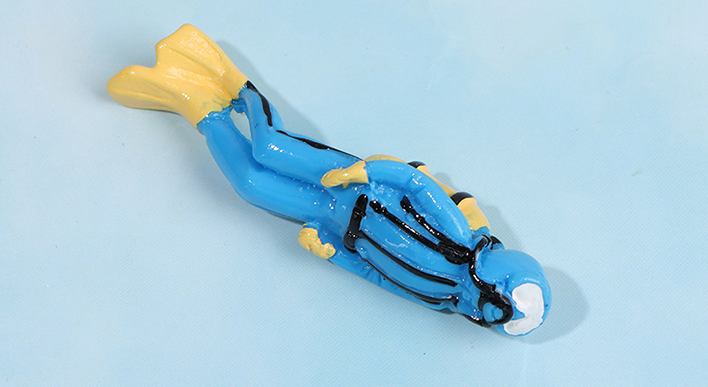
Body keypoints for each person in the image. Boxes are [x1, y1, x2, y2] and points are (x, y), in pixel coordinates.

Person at [107, 25, 550, 336]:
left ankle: (197, 105)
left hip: (332, 217)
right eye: (496, 303)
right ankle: (235, 86)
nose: (482, 308)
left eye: (490, 317)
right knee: (270, 148)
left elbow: (377, 277)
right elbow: (417, 185)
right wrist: (367, 171)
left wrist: (331, 252)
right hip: (354, 185)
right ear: (499, 276)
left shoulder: (440, 300)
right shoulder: (458, 236)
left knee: (250, 184)